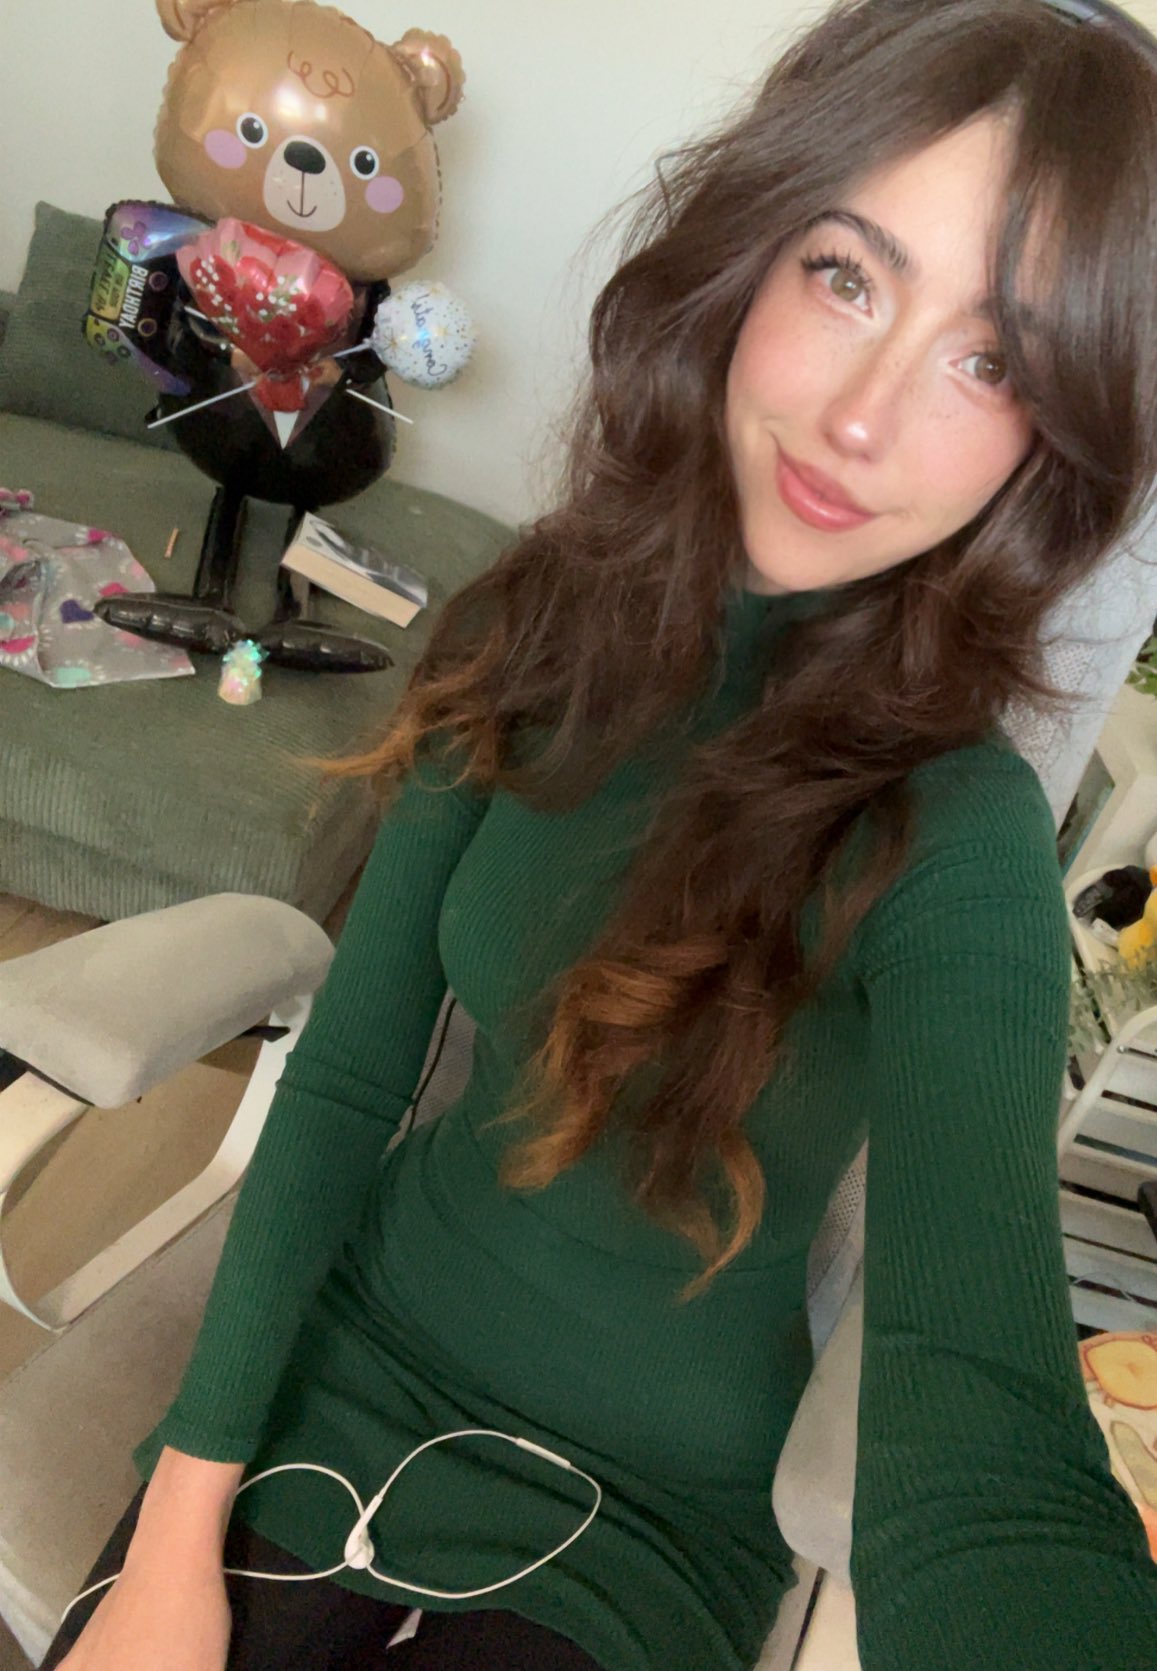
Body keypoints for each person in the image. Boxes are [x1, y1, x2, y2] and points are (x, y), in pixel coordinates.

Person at [45, 1, 1157, 1667]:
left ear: (1048, 437)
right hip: (334, 1382)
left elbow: (979, 1420)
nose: (862, 417)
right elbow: (347, 1082)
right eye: (845, 277)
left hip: (637, 1534)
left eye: (988, 361)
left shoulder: (959, 843)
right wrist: (174, 1533)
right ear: (748, 254)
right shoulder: (531, 624)